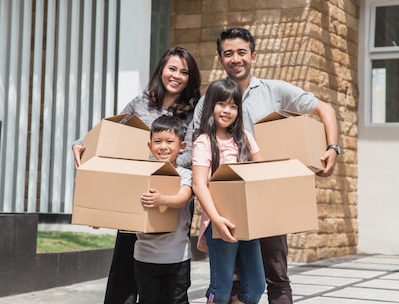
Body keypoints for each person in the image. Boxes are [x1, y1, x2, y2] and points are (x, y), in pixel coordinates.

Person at [193, 27, 340, 304]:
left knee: (275, 276)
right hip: (229, 205)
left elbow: (325, 109)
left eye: (241, 52)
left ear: (253, 56)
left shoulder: (275, 90)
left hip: (266, 199)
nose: (235, 58)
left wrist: (332, 148)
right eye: (228, 54)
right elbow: (194, 155)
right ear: (220, 59)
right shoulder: (207, 102)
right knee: (233, 281)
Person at [72, 47, 201, 304]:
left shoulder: (194, 110)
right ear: (161, 70)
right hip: (135, 191)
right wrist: (81, 142)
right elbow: (112, 131)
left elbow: (194, 152)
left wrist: (161, 165)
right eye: (172, 68)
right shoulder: (140, 102)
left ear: (190, 78)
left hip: (172, 194)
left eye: (184, 72)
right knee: (125, 267)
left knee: (168, 273)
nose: (176, 76)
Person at [192, 78, 266, 304]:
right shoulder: (204, 142)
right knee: (221, 288)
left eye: (233, 106)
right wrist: (216, 219)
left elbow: (262, 173)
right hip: (218, 223)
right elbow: (199, 184)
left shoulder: (244, 137)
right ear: (211, 106)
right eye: (222, 104)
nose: (227, 110)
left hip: (246, 223)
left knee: (255, 286)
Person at [135, 115, 194, 304]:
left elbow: (182, 199)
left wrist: (162, 199)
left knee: (177, 301)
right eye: (157, 141)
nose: (163, 146)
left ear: (182, 146)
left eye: (170, 141)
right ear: (149, 145)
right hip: (145, 256)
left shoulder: (185, 175)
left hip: (177, 256)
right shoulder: (142, 174)